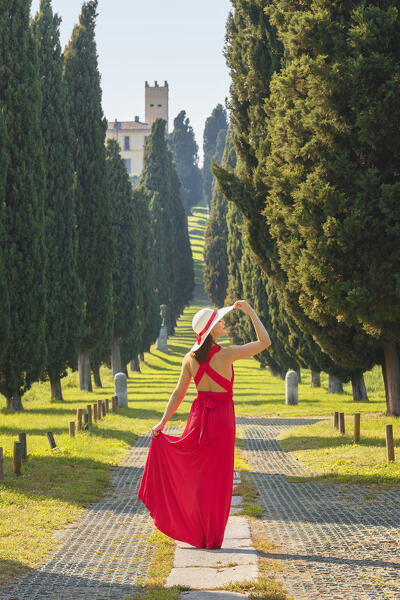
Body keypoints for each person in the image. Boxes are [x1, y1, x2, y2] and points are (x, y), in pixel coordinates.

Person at [137, 299, 271, 549]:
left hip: (198, 417)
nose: (224, 323)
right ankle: (211, 536)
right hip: (221, 419)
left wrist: (162, 422)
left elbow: (178, 393)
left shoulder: (189, 358)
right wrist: (251, 311)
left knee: (197, 476)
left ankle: (195, 529)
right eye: (220, 321)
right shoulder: (227, 354)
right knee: (217, 481)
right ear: (211, 330)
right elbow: (265, 342)